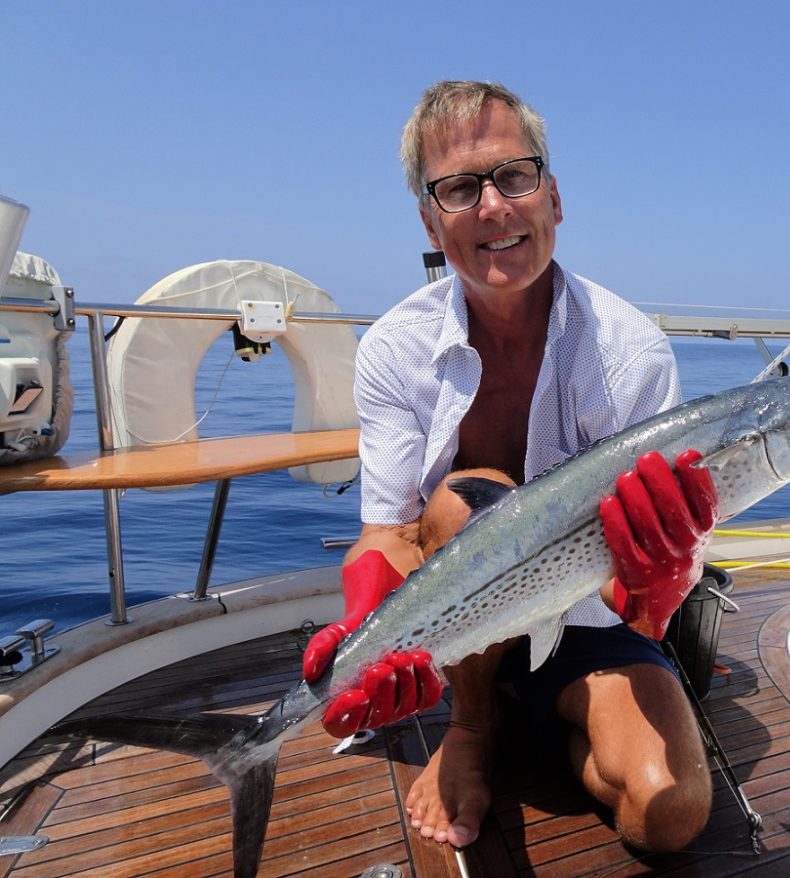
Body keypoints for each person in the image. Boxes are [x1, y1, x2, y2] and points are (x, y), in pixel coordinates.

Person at [302, 80, 716, 853]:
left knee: (670, 814)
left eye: (514, 177)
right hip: (459, 624)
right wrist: (364, 622)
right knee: (471, 501)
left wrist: (659, 580)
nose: (493, 207)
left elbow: (638, 577)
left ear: (552, 197)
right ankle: (472, 723)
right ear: (431, 221)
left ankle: (536, 711)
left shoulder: (631, 352)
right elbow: (390, 530)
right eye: (460, 189)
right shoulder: (393, 348)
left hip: (588, 618)